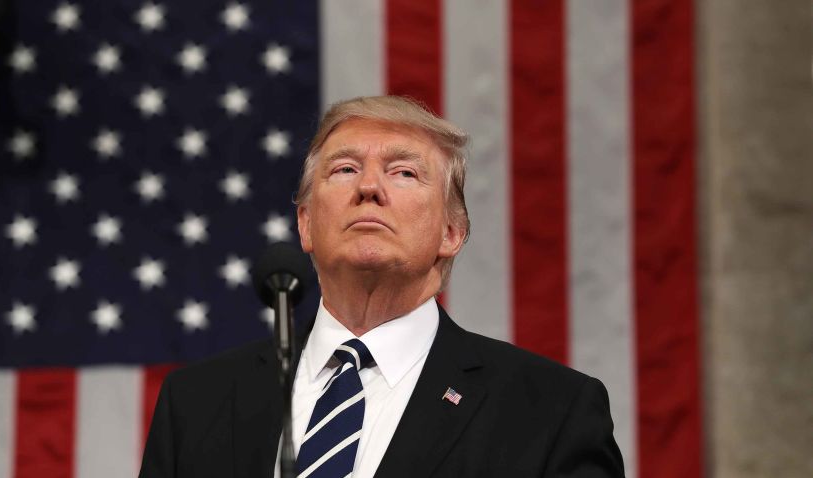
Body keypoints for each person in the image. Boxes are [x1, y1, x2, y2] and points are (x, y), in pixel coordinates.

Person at [139, 96, 624, 478]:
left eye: (404, 172)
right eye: (345, 169)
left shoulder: (549, 411)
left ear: (451, 233)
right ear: (305, 225)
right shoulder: (198, 402)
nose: (369, 188)